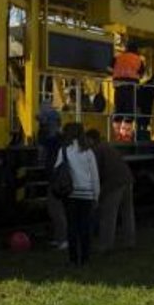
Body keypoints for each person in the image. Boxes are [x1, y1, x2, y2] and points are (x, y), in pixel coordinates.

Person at [53, 123, 100, 265]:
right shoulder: (88, 152)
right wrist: (96, 195)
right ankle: (85, 258)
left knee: (72, 227)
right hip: (87, 194)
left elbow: (57, 170)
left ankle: (73, 259)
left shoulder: (64, 151)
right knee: (85, 227)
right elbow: (95, 176)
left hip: (70, 194)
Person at [86, 129, 136, 252]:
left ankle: (106, 244)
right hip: (127, 179)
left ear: (91, 139)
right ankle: (129, 241)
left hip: (113, 183)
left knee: (109, 215)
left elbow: (95, 171)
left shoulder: (96, 150)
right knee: (127, 213)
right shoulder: (108, 147)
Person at [38, 98, 67, 248]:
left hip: (56, 178)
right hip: (56, 177)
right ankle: (59, 237)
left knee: (56, 210)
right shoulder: (60, 139)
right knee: (55, 209)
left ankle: (62, 239)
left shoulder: (51, 140)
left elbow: (43, 156)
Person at [111, 41, 146, 141]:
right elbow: (141, 74)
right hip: (131, 87)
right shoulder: (138, 59)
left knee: (118, 111)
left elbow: (109, 69)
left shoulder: (117, 57)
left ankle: (117, 135)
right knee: (129, 112)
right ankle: (126, 136)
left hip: (118, 87)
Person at [135, 74, 154, 141]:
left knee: (139, 122)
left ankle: (138, 137)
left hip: (139, 106)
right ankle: (143, 137)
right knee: (145, 122)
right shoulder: (152, 86)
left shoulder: (143, 85)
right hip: (146, 106)